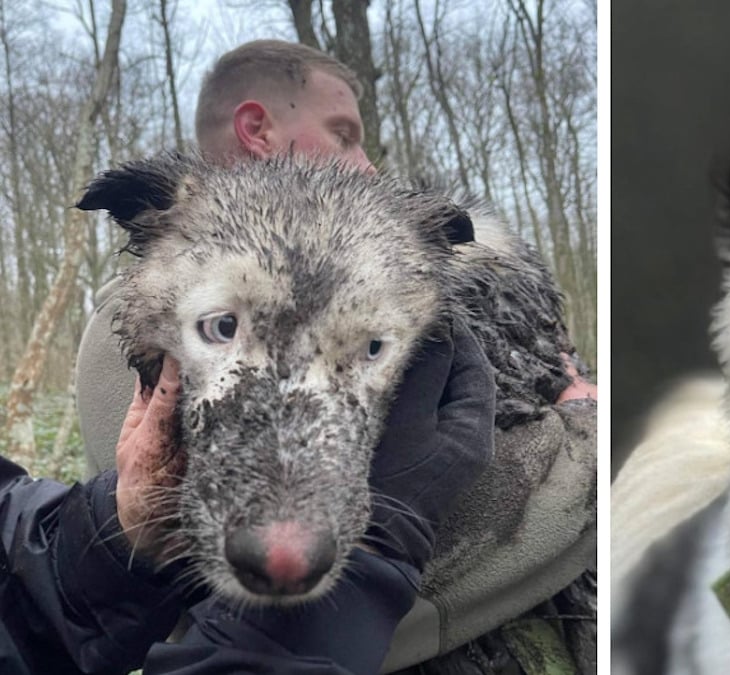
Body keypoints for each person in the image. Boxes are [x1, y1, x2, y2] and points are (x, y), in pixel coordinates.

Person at [2, 39, 591, 674]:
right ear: (257, 129)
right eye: (344, 135)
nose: (365, 165)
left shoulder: (432, 294)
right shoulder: (140, 318)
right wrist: (586, 439)